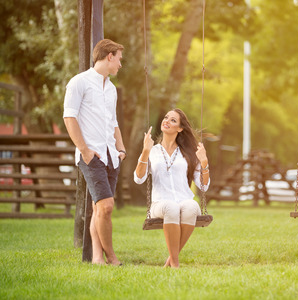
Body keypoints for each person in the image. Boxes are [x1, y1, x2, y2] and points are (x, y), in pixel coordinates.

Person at [63, 39, 125, 266]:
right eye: (119, 59)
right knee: (107, 206)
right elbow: (69, 117)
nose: (120, 64)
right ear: (109, 56)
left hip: (112, 156)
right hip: (92, 156)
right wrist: (85, 151)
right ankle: (112, 257)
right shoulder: (79, 82)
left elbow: (114, 122)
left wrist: (121, 148)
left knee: (99, 207)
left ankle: (97, 257)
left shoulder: (111, 89)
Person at [134, 108, 210, 268]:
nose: (166, 121)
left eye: (173, 120)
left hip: (184, 199)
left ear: (180, 128)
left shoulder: (188, 153)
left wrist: (204, 163)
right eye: (166, 117)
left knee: (191, 206)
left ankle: (170, 261)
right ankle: (175, 263)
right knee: (171, 207)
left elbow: (203, 185)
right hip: (160, 204)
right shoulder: (153, 151)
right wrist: (145, 151)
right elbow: (139, 178)